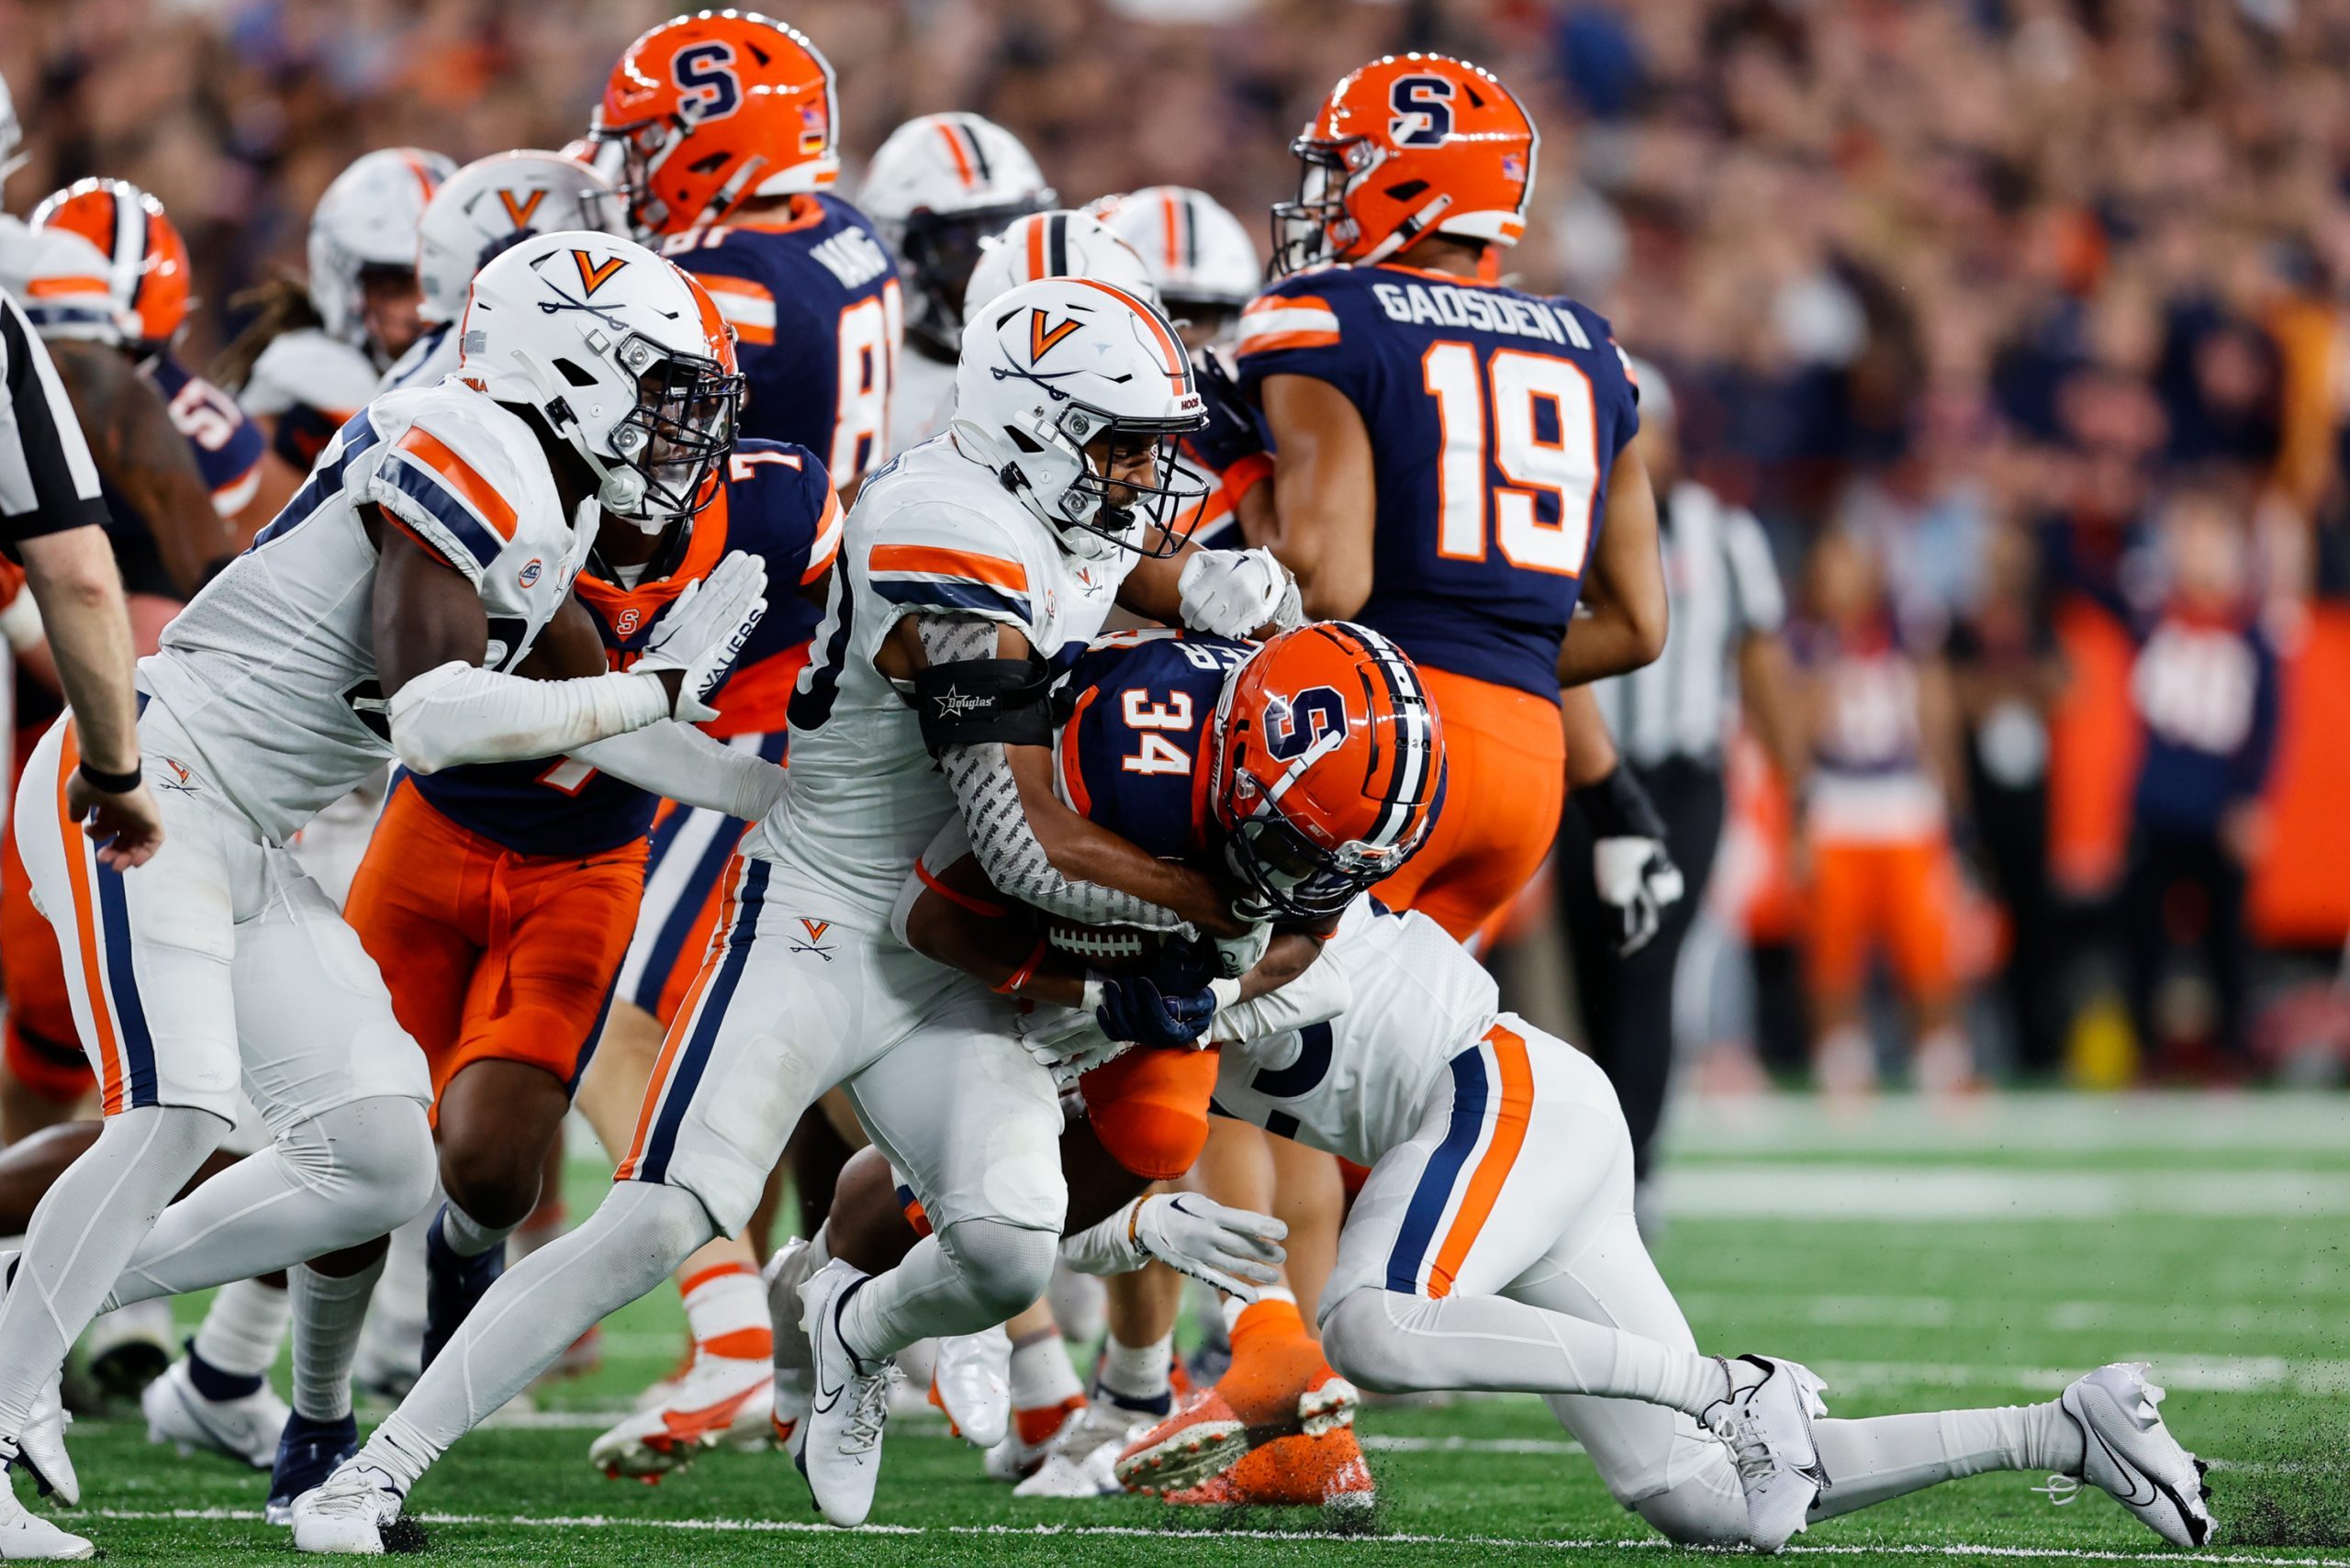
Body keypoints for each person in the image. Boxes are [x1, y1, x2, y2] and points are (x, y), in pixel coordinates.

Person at [290, 272, 1299, 1548]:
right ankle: (371, 1473)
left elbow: (1124, 577)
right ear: (1036, 426)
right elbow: (1022, 840)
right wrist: (1211, 911)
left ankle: (847, 1322)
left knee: (1006, 1248)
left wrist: (1221, 592)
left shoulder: (1060, 511)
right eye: (1121, 447)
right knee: (662, 1213)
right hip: (817, 916)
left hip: (939, 945)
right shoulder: (942, 527)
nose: (1142, 483)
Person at [0, 229, 767, 1561]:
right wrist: (653, 684)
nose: (678, 422)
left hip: (248, 833)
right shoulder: (463, 440)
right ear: (570, 364)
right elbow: (434, 716)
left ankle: (39, 1300)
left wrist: (776, 801)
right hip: (145, 784)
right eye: (659, 384)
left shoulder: (553, 494)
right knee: (179, 1106)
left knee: (378, 1162)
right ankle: (10, 1400)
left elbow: (586, 729)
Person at [1167, 50, 1676, 1495]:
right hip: (1520, 767)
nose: (1320, 202)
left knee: (1184, 1031)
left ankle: (1260, 1359)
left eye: (1343, 169)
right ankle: (1304, 1439)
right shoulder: (1590, 346)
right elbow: (1637, 624)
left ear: (1407, 176)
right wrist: (1499, 678)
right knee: (1339, 1086)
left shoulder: (1330, 311)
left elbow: (1331, 573)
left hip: (1380, 743)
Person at [1571, 362, 1804, 1192]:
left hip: (1682, 782)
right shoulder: (1556, 517)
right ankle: (1608, 1163)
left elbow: (1763, 665)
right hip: (1582, 779)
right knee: (1594, 973)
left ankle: (1636, 1170)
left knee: (1649, 964)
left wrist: (1795, 786)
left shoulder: (1724, 534)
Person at [1788, 530, 1973, 1096]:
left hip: (1903, 806)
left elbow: (1937, 720)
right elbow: (1798, 733)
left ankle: (1939, 1052)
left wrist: (1956, 815)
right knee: (1834, 947)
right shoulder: (1805, 642)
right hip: (1837, 806)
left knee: (1925, 943)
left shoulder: (1907, 636)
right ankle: (1842, 1055)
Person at [2121, 485, 2277, 1074]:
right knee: (2144, 934)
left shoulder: (2252, 632)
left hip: (2219, 804)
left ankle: (2233, 1053)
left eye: (2210, 545)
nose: (2197, 557)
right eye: (2188, 543)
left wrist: (2252, 799)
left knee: (2227, 939)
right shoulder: (2154, 616)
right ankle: (2146, 1052)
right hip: (2158, 801)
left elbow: (2269, 724)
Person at [218, 148, 455, 529]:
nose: (427, 310)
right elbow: (250, 554)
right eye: (399, 286)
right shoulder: (311, 378)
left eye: (444, 282)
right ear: (345, 287)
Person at [857, 113, 1053, 457]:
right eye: (953, 247)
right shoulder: (870, 392)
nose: (992, 268)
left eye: (1010, 232)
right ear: (891, 250)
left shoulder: (1067, 360)